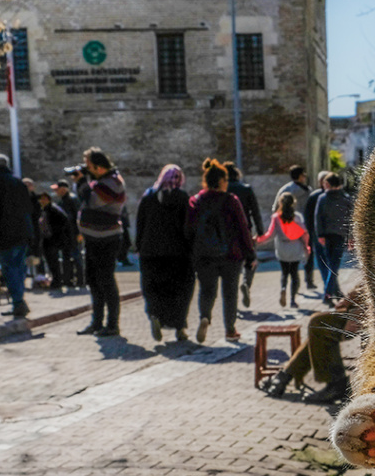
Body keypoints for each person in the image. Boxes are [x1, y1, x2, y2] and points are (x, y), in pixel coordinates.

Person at [186, 158, 255, 343]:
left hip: (204, 255)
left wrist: (191, 253)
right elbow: (243, 228)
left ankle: (205, 316)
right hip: (231, 255)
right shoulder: (231, 200)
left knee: (207, 291)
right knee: (229, 293)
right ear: (223, 181)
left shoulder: (195, 200)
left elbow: (189, 229)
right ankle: (230, 330)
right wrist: (250, 255)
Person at [260, 285, 364, 403]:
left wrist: (353, 308)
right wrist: (348, 300)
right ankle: (285, 376)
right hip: (359, 308)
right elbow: (365, 283)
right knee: (318, 329)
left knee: (318, 323)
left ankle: (335, 382)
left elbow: (373, 287)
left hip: (367, 312)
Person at [135, 164, 193, 342]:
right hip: (178, 253)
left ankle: (155, 315)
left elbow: (140, 224)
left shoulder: (148, 197)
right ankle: (180, 326)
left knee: (153, 288)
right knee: (181, 289)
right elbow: (189, 226)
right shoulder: (183, 198)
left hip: (150, 252)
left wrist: (139, 246)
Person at [75, 147, 127, 337]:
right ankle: (96, 323)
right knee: (93, 281)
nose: (85, 169)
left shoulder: (113, 182)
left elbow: (92, 201)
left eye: (88, 165)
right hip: (93, 238)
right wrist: (84, 182)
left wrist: (81, 181)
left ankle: (112, 325)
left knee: (106, 281)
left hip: (106, 239)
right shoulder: (99, 181)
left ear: (98, 167)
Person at [0, 153, 33, 318]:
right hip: (22, 231)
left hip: (5, 233)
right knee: (19, 268)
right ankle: (19, 300)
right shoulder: (18, 182)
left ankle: (18, 303)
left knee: (9, 270)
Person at [256, 191, 309, 308]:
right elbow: (304, 234)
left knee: (285, 273)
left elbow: (270, 235)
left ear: (280, 203)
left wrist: (258, 240)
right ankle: (293, 300)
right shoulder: (297, 217)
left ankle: (283, 288)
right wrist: (307, 247)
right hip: (295, 247)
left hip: (282, 248)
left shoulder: (276, 218)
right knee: (294, 274)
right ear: (293, 203)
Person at [224, 162, 264, 307]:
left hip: (226, 233)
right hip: (245, 231)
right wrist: (260, 231)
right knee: (251, 261)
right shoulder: (246, 189)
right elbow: (255, 211)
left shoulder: (222, 190)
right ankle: (246, 283)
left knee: (232, 266)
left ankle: (232, 299)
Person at [313, 172, 353, 303]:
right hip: (340, 235)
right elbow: (351, 220)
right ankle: (331, 293)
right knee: (334, 265)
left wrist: (320, 235)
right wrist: (350, 237)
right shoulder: (346, 199)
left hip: (327, 236)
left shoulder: (323, 198)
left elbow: (318, 218)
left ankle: (328, 293)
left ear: (328, 184)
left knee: (332, 265)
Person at [273, 165, 313, 289]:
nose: (305, 177)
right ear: (300, 176)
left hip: (289, 228)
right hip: (305, 226)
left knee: (288, 262)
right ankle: (308, 280)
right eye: (304, 175)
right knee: (308, 252)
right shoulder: (308, 190)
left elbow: (275, 208)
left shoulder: (285, 189)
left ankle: (286, 285)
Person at [51, 178, 84, 287]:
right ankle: (68, 280)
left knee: (76, 257)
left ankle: (80, 280)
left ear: (63, 189)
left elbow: (78, 217)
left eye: (58, 189)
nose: (56, 192)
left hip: (73, 234)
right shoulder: (62, 201)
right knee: (67, 258)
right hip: (65, 235)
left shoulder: (72, 199)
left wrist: (79, 233)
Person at [303, 170, 331, 291]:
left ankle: (329, 286)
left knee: (323, 261)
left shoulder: (315, 196)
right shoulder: (335, 195)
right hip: (330, 233)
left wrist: (310, 232)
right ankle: (331, 286)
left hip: (317, 233)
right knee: (330, 261)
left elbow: (307, 216)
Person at [36, 192, 68, 290]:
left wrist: (55, 232)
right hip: (47, 240)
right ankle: (56, 281)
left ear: (49, 199)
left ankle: (57, 282)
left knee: (53, 261)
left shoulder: (53, 209)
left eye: (45, 199)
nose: (42, 201)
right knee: (50, 261)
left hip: (52, 240)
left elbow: (64, 220)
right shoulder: (44, 210)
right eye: (41, 199)